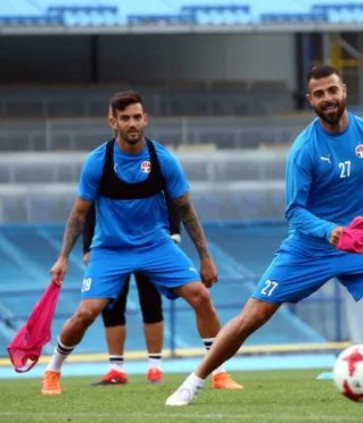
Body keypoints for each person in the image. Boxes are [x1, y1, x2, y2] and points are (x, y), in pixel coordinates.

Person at [165, 64, 363, 406]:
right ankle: (193, 381)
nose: (327, 98)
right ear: (310, 100)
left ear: (344, 91)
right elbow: (294, 211)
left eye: (332, 90)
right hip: (308, 249)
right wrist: (329, 230)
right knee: (252, 317)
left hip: (355, 245)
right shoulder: (304, 148)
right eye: (319, 94)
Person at [41, 90, 242, 396]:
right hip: (110, 250)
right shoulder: (98, 162)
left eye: (137, 117)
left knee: (201, 296)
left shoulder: (163, 160)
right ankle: (52, 371)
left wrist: (205, 257)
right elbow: (78, 214)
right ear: (113, 122)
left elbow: (186, 209)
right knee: (86, 313)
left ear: (145, 119)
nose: (132, 123)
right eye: (125, 118)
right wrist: (63, 257)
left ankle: (220, 373)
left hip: (156, 246)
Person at [83, 199, 180, 385]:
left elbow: (172, 195)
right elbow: (88, 206)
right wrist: (87, 247)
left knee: (151, 301)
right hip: (113, 246)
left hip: (149, 243)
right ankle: (116, 368)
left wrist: (174, 232)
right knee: (111, 304)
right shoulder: (102, 179)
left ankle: (155, 366)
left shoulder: (150, 178)